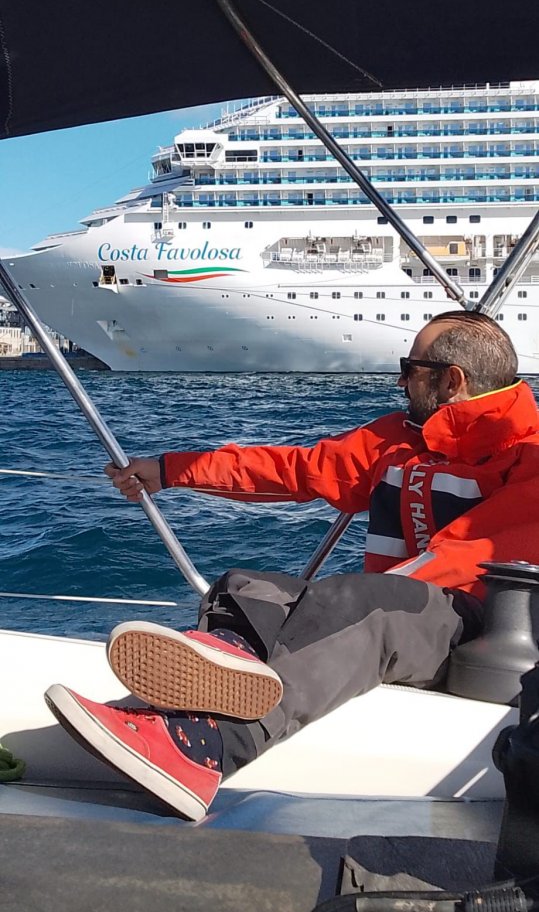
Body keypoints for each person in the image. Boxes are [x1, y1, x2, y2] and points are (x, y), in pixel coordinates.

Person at [45, 311, 539, 821]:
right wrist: (170, 470)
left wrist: (342, 601)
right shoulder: (400, 438)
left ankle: (204, 751)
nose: (400, 380)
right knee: (245, 589)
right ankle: (183, 704)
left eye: (410, 368)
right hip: (399, 601)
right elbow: (297, 468)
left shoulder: (530, 453)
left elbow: (465, 556)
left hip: (479, 624)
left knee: (360, 602)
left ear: (451, 380)